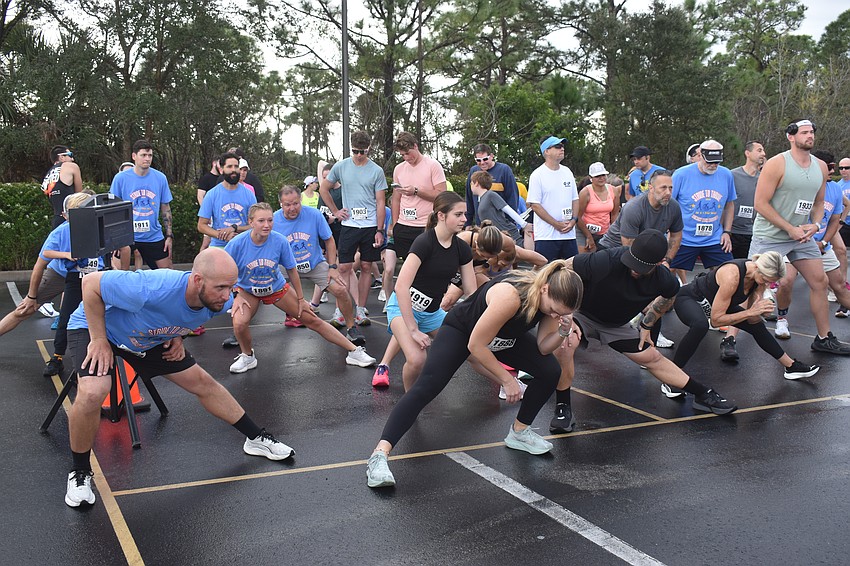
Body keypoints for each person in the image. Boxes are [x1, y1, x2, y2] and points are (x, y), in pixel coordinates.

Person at [63, 248, 295, 508]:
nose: (227, 295)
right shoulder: (149, 287)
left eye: (231, 287)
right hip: (98, 328)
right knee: (94, 391)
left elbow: (184, 313)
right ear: (197, 280)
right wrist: (99, 339)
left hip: (148, 337)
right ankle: (80, 472)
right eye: (221, 287)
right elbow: (90, 283)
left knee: (203, 382)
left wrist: (178, 335)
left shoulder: (221, 300)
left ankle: (255, 438)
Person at [365, 262, 585, 488]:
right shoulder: (510, 296)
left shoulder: (552, 303)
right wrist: (507, 379)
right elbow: (477, 345)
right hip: (463, 332)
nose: (555, 314)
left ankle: (520, 432)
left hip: (504, 337)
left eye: (561, 313)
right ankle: (379, 455)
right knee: (427, 387)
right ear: (545, 289)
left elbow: (543, 348)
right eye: (555, 309)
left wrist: (563, 330)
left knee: (550, 371)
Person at [547, 230, 737, 434]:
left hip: (616, 325)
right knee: (567, 344)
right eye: (633, 264)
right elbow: (562, 267)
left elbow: (670, 296)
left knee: (652, 356)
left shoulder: (664, 279)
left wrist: (648, 324)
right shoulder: (605, 260)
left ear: (658, 264)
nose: (635, 270)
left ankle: (703, 394)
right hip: (582, 314)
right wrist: (564, 311)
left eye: (641, 268)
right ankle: (562, 407)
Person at [224, 203, 376, 372]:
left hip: (275, 288)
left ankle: (354, 351)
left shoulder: (279, 241)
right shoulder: (236, 244)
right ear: (251, 222)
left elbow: (292, 270)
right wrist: (236, 294)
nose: (266, 225)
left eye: (270, 220)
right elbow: (224, 272)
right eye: (261, 221)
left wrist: (301, 299)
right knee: (239, 323)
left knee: (312, 320)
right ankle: (247, 356)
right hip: (248, 291)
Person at [751, 119, 850, 354]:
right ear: (791, 137)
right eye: (804, 132)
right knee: (753, 285)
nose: (810, 136)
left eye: (812, 132)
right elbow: (760, 204)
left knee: (820, 281)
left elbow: (819, 203)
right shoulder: (777, 164)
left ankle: (823, 338)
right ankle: (730, 338)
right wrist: (789, 227)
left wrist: (815, 225)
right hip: (770, 235)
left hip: (801, 236)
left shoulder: (821, 167)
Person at [371, 192, 477, 389]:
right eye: (459, 214)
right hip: (403, 308)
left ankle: (509, 383)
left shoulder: (462, 249)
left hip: (432, 313)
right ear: (442, 215)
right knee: (417, 359)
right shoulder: (424, 243)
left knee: (471, 348)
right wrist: (413, 330)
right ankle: (410, 402)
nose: (464, 219)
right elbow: (401, 287)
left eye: (465, 214)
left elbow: (472, 293)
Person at [673, 251, 819, 379]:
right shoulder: (732, 275)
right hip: (692, 298)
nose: (767, 284)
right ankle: (673, 374)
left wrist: (761, 311)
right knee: (700, 325)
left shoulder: (759, 279)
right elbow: (716, 321)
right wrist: (750, 312)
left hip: (717, 305)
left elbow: (753, 318)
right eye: (767, 280)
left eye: (771, 282)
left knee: (757, 326)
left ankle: (791, 366)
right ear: (757, 268)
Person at [273, 186, 367, 346]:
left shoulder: (314, 214)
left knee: (341, 290)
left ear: (300, 200)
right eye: (287, 204)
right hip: (286, 266)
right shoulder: (273, 219)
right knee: (255, 292)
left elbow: (329, 241)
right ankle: (238, 332)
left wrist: (332, 267)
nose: (292, 208)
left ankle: (352, 327)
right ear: (280, 203)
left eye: (295, 203)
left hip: (314, 263)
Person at [773, 150, 850, 339]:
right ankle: (782, 319)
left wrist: (823, 242)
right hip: (792, 242)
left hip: (820, 246)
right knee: (786, 281)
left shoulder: (834, 189)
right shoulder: (800, 186)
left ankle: (825, 336)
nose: (833, 172)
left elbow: (834, 220)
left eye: (834, 168)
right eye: (830, 167)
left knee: (838, 285)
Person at [318, 131, 387, 326]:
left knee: (366, 266)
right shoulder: (341, 166)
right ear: (351, 148)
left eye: (362, 152)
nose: (358, 155)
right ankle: (340, 311)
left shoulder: (376, 170)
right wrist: (336, 211)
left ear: (369, 149)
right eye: (355, 151)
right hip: (349, 224)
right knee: (344, 267)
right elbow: (324, 188)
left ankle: (360, 310)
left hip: (370, 225)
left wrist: (380, 230)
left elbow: (381, 202)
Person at [721, 141, 768, 360]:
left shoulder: (766, 177)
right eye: (759, 150)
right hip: (732, 234)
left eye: (764, 151)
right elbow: (724, 203)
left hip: (756, 235)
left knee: (750, 284)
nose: (763, 154)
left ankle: (731, 335)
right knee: (730, 281)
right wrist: (725, 231)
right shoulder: (732, 175)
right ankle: (720, 316)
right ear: (747, 153)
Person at [669, 140, 736, 278]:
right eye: (709, 161)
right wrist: (671, 232)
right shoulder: (681, 175)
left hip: (713, 237)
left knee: (729, 275)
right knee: (666, 273)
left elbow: (729, 205)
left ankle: (715, 299)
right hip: (685, 237)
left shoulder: (726, 175)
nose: (712, 165)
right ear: (700, 155)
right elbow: (669, 205)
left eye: (716, 162)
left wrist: (727, 232)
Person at [109, 139, 174, 269]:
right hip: (127, 235)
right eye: (143, 155)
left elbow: (165, 208)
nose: (147, 159)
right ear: (134, 156)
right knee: (117, 276)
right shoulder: (121, 178)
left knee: (168, 276)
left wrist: (169, 235)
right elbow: (112, 208)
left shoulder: (160, 178)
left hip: (152, 236)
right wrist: (114, 238)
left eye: (150, 155)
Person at [390, 131, 447, 263]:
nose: (406, 158)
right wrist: (394, 224)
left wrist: (416, 191)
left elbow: (442, 195)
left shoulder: (433, 165)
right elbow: (396, 199)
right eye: (402, 155)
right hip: (403, 225)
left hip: (426, 225)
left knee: (429, 265)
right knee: (408, 265)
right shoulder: (398, 169)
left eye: (408, 153)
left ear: (415, 146)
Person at [527, 136, 580, 261]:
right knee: (546, 274)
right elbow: (535, 205)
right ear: (546, 151)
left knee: (572, 272)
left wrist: (573, 220)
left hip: (569, 235)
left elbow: (575, 199)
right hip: (547, 236)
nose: (562, 149)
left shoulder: (567, 172)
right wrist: (556, 224)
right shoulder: (537, 175)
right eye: (557, 146)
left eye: (562, 146)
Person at [464, 143, 520, 226]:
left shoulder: (504, 170)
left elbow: (512, 198)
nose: (482, 163)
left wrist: (510, 223)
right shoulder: (473, 171)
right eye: (478, 160)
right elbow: (469, 199)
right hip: (481, 225)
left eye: (485, 159)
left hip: (500, 224)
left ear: (491, 156)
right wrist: (467, 223)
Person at [469, 170, 531, 246]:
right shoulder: (481, 199)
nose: (470, 186)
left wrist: (524, 225)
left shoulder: (491, 195)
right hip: (497, 237)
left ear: (476, 183)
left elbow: (508, 209)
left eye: (471, 183)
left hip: (508, 233)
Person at [577, 161, 621, 252]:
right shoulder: (585, 193)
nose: (601, 178)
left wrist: (613, 233)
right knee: (586, 259)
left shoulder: (613, 190)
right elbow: (578, 216)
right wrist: (588, 236)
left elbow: (615, 214)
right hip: (584, 230)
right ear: (591, 178)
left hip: (605, 231)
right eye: (597, 176)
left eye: (603, 175)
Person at [41, 145, 82, 229]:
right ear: (62, 157)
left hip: (57, 219)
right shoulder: (71, 166)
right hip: (71, 219)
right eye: (70, 155)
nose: (72, 159)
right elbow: (80, 197)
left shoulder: (48, 175)